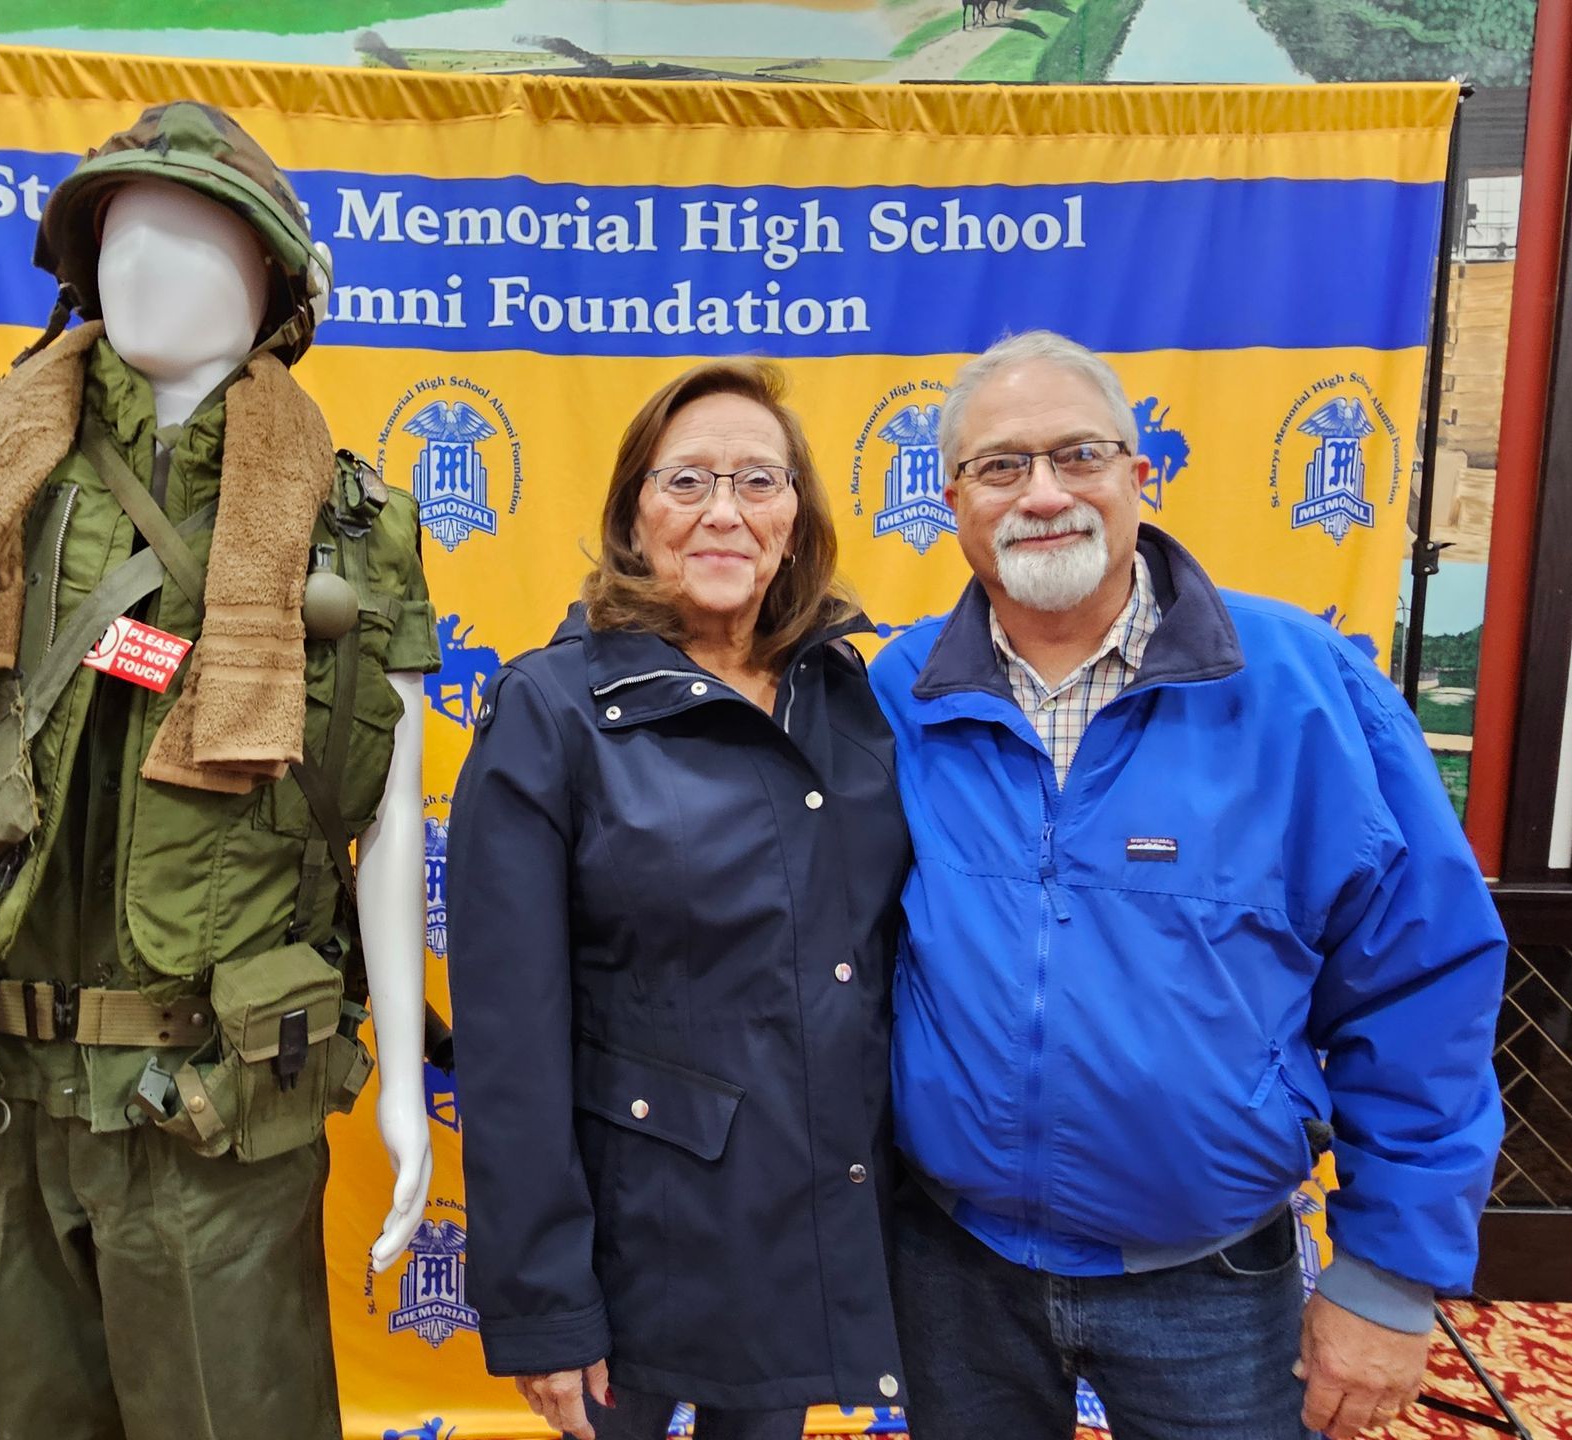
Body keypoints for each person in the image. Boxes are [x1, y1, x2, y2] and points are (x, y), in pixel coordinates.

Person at [0, 103, 438, 1439]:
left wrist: (399, 1083)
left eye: (206, 234)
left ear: (275, 283)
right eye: (124, 232)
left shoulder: (350, 523)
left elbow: (390, 812)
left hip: (211, 1106)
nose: (154, 263)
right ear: (77, 264)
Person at [870, 330, 1505, 1440]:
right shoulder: (892, 696)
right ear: (954, 502)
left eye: (1079, 454)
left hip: (1209, 1282)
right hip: (953, 1272)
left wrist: (1393, 1273)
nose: (1045, 493)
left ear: (1140, 475)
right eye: (1002, 466)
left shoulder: (1306, 689)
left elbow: (1423, 978)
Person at [447, 360, 910, 1440]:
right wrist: (544, 1301)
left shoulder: (846, 697)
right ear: (634, 515)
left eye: (759, 481)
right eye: (688, 480)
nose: (725, 512)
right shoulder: (548, 710)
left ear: (795, 520)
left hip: (802, 1228)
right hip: (632, 1251)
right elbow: (511, 1041)